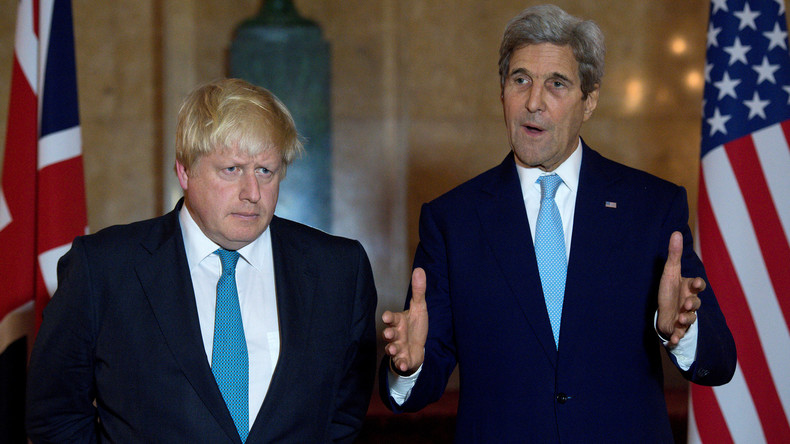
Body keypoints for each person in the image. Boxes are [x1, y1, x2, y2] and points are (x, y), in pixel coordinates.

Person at [379, 5, 736, 443]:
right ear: (502, 92)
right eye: (520, 80)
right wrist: (409, 366)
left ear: (590, 100)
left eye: (557, 84)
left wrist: (680, 331)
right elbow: (417, 380)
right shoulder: (453, 220)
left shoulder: (651, 208)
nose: (534, 102)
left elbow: (719, 362)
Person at [26, 78, 377, 443]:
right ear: (184, 171)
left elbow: (343, 416)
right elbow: (54, 416)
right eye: (232, 169)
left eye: (265, 171)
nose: (252, 193)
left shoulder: (338, 270)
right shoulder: (104, 268)